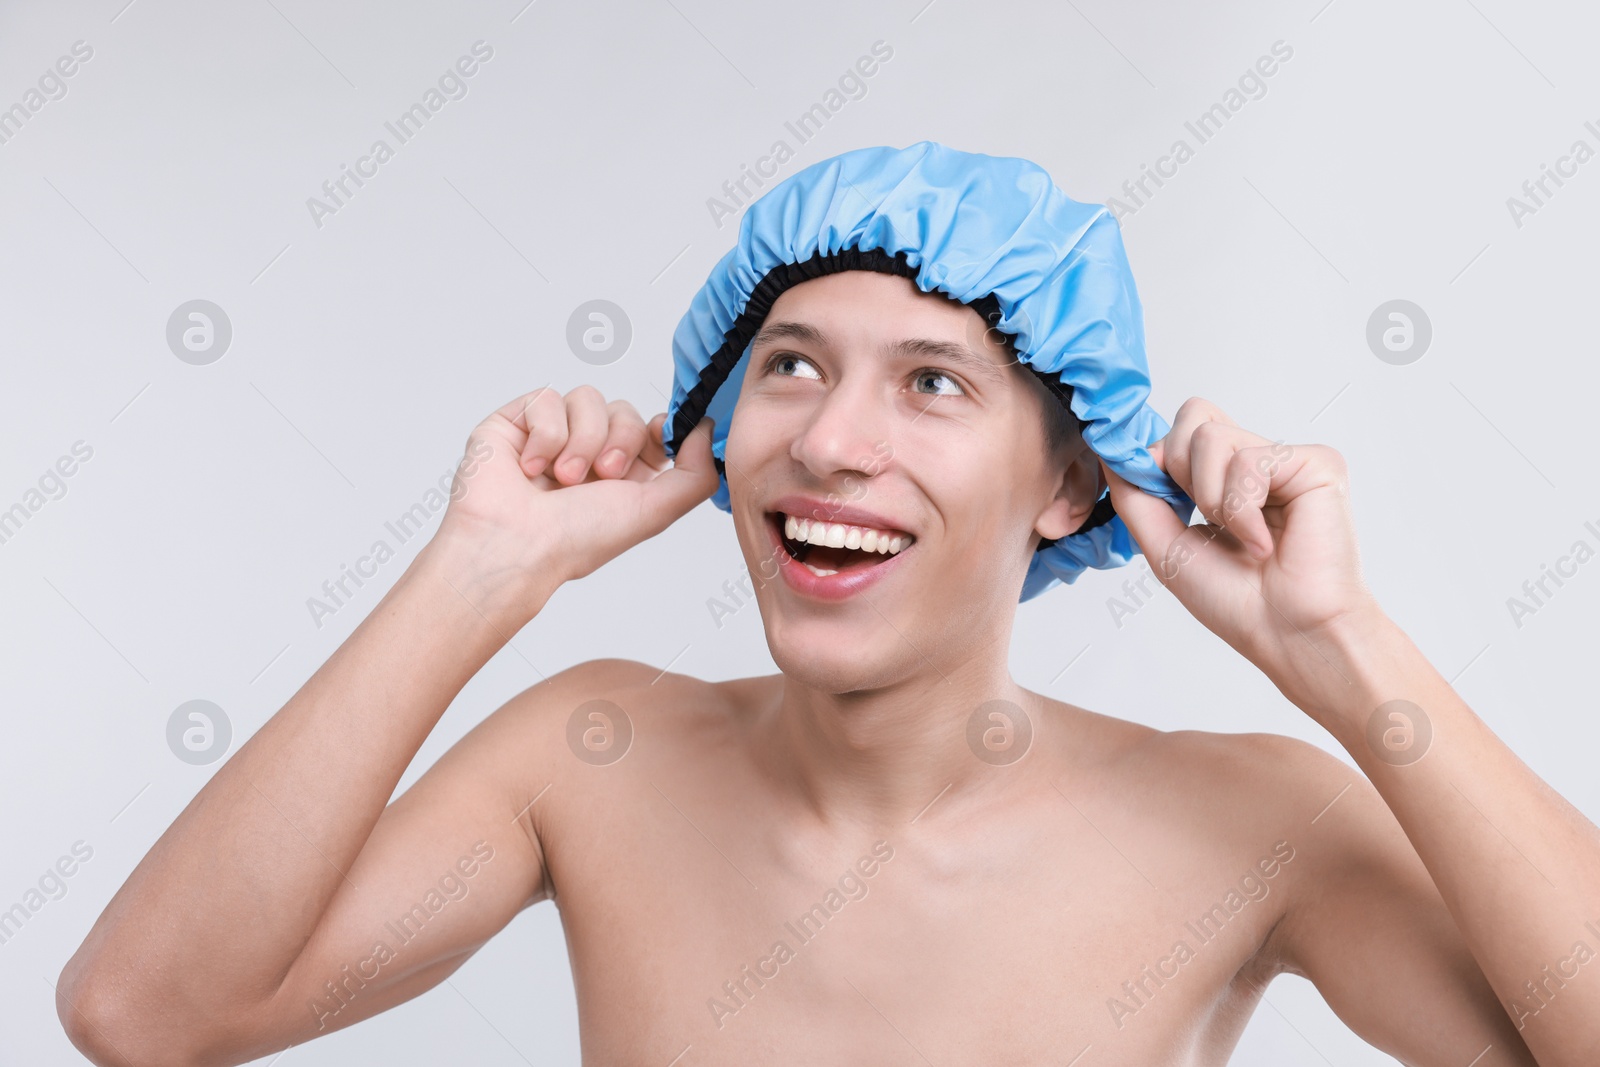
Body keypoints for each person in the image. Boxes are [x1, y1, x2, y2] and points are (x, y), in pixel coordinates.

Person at [58, 147, 1600, 1067]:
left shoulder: (1250, 819)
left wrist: (1341, 651)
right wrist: (483, 568)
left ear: (1069, 484)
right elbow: (144, 1017)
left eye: (933, 383)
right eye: (790, 364)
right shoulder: (590, 758)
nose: (832, 437)